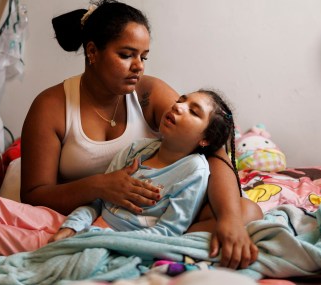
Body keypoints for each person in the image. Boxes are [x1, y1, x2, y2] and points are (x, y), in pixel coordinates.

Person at [0, 0, 260, 285]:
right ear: (93, 52)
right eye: (127, 54)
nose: (138, 66)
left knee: (247, 210)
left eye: (144, 56)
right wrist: (100, 186)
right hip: (79, 213)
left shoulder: (149, 94)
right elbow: (35, 194)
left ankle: (160, 248)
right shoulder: (52, 106)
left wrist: (230, 219)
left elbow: (214, 152)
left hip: (148, 219)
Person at [51, 89, 239, 241]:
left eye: (193, 111)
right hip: (90, 232)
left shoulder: (193, 170)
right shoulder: (135, 150)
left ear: (206, 139)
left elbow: (167, 232)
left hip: (124, 244)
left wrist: (102, 238)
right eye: (181, 100)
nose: (178, 106)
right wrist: (72, 226)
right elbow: (98, 201)